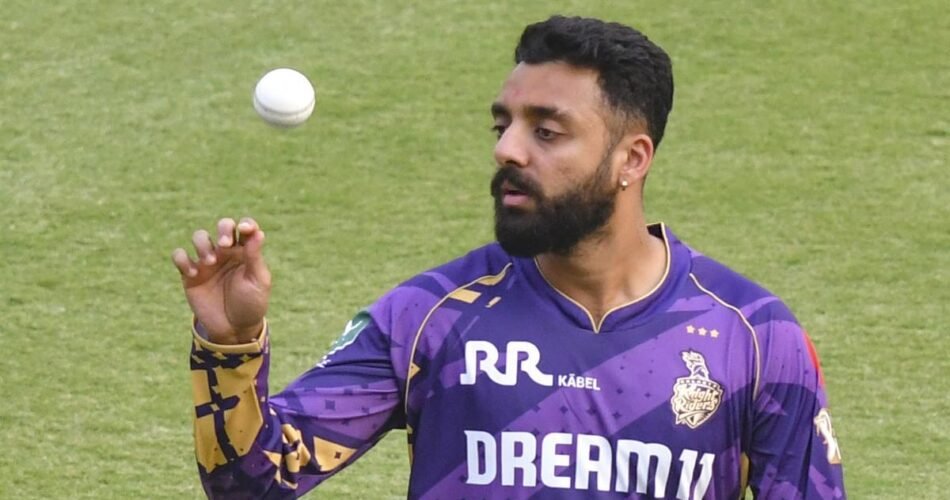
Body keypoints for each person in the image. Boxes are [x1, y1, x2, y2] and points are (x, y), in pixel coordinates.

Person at [172, 16, 846, 499]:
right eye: (503, 126)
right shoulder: (432, 316)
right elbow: (253, 481)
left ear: (631, 159)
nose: (506, 150)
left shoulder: (755, 338)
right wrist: (230, 345)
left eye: (545, 132)